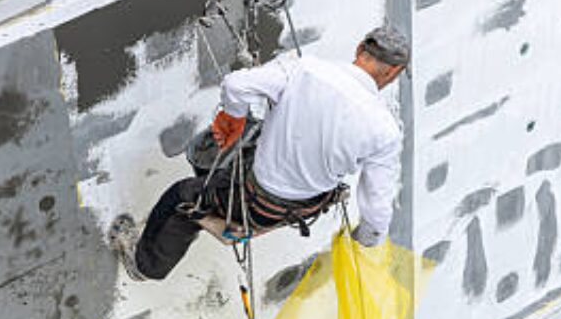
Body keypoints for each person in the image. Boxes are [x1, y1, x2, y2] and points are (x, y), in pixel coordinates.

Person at [112, 27, 409, 281]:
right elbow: (377, 204)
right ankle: (218, 187)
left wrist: (233, 119)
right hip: (306, 205)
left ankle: (145, 267)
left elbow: (237, 85)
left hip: (255, 204)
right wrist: (366, 239)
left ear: (360, 49)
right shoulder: (384, 129)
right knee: (255, 133)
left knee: (180, 196)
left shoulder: (304, 69)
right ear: (394, 71)